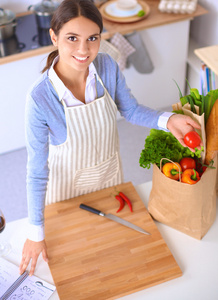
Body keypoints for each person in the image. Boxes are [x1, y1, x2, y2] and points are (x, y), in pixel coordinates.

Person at [19, 0, 201, 276]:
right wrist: (35, 232)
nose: (84, 50)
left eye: (92, 38)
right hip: (66, 190)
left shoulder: (106, 65)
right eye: (72, 38)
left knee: (116, 254)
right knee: (78, 263)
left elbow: (131, 110)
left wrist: (168, 119)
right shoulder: (40, 97)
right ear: (54, 37)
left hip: (109, 177)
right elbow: (36, 170)